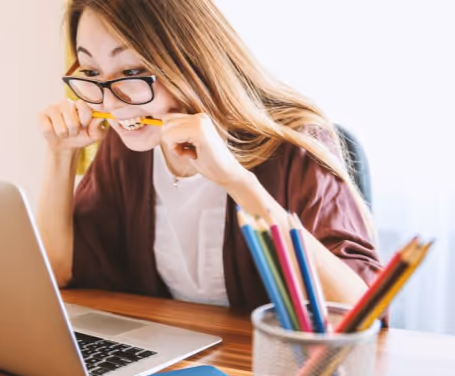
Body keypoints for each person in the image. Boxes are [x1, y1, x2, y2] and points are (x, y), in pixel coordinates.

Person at [37, 0, 382, 311]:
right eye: (92, 72)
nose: (109, 103)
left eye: (132, 72)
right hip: (175, 354)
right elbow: (58, 271)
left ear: (190, 60)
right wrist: (61, 155)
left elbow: (360, 311)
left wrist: (236, 181)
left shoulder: (295, 144)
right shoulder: (128, 147)